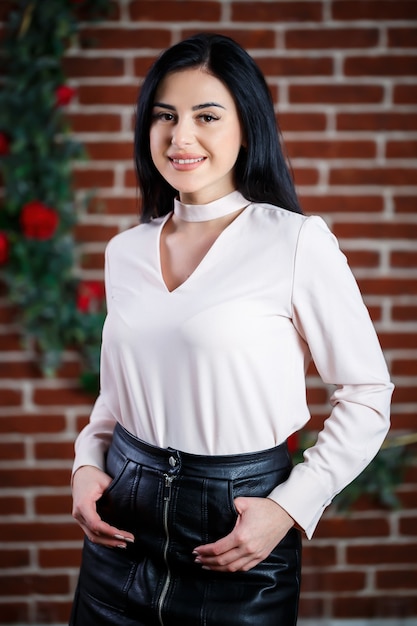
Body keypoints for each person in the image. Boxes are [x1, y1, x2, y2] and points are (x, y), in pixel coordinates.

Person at [69, 33, 394, 626]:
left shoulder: (294, 241)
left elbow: (368, 394)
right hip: (122, 527)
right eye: (164, 116)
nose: (180, 137)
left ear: (247, 128)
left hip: (238, 531)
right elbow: (117, 394)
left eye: (207, 116)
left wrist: (289, 508)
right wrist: (87, 462)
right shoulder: (125, 251)